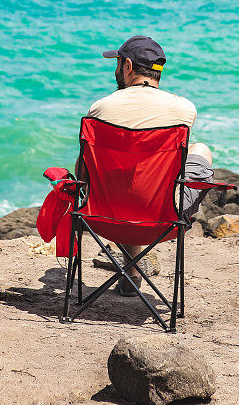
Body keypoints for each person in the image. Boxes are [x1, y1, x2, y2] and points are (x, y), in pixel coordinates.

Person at [82, 35, 214, 296]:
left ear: (128, 67)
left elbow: (83, 173)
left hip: (104, 216)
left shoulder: (100, 108)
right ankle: (136, 267)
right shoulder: (184, 109)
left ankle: (132, 273)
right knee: (200, 150)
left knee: (126, 173)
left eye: (117, 64)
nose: (115, 71)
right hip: (164, 218)